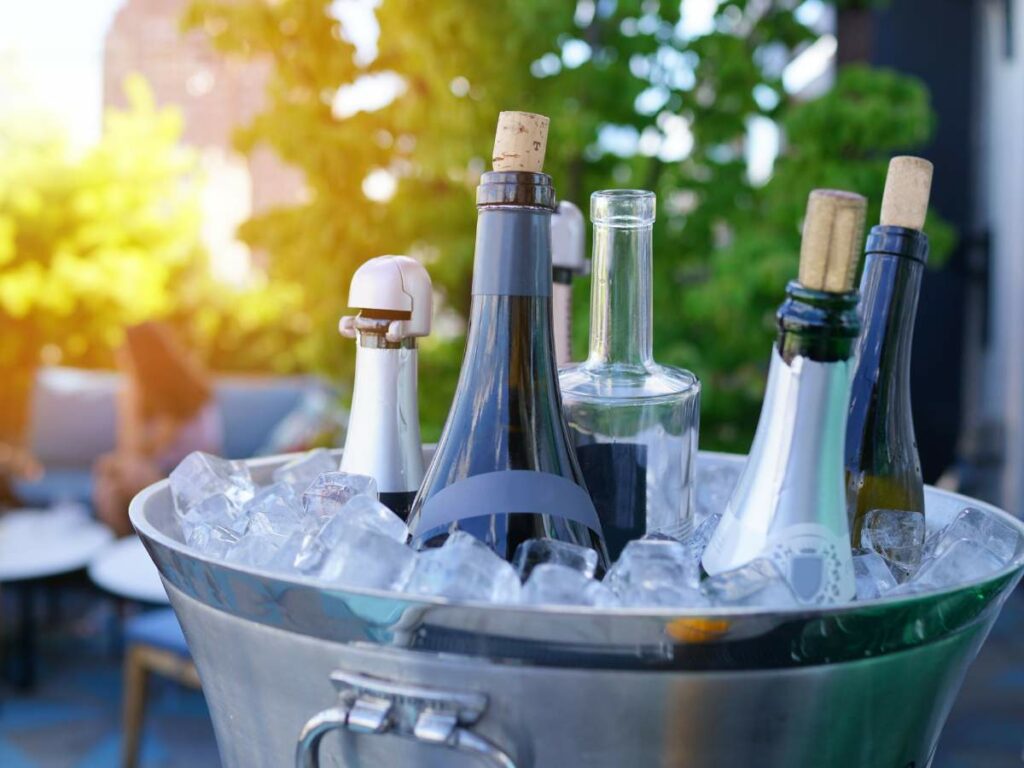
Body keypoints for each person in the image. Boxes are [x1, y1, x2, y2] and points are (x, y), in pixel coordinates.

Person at [93, 322, 223, 536]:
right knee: (111, 484)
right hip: (166, 473)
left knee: (126, 472)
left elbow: (134, 449)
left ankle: (132, 545)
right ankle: (129, 548)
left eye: (124, 350)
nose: (119, 356)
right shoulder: (154, 391)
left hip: (197, 477)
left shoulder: (178, 395)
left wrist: (129, 398)